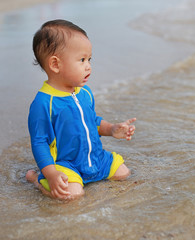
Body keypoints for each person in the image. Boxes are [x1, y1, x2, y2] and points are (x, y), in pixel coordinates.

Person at [26, 19, 136, 200]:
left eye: (90, 59)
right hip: (66, 164)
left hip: (96, 158)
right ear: (55, 64)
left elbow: (92, 121)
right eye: (82, 60)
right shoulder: (44, 103)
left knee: (123, 173)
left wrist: (112, 129)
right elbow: (39, 142)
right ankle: (38, 180)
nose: (88, 66)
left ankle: (93, 172)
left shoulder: (84, 92)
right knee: (72, 194)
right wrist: (52, 174)